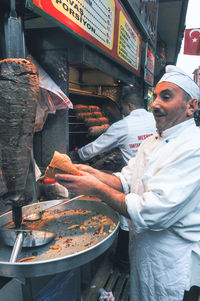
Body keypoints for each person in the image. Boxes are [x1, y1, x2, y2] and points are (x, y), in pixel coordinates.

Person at [56, 65, 200, 301]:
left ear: (191, 106)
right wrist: (90, 173)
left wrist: (95, 188)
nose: (155, 104)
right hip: (144, 253)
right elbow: (125, 180)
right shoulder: (154, 140)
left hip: (171, 263)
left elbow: (151, 210)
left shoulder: (194, 147)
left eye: (166, 96)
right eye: (155, 96)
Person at [70, 92, 156, 269]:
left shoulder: (124, 125)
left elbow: (97, 146)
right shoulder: (156, 120)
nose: (122, 111)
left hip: (135, 180)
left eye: (123, 107)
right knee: (145, 218)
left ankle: (123, 259)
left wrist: (77, 154)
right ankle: (133, 258)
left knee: (128, 218)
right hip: (151, 177)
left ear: (130, 106)